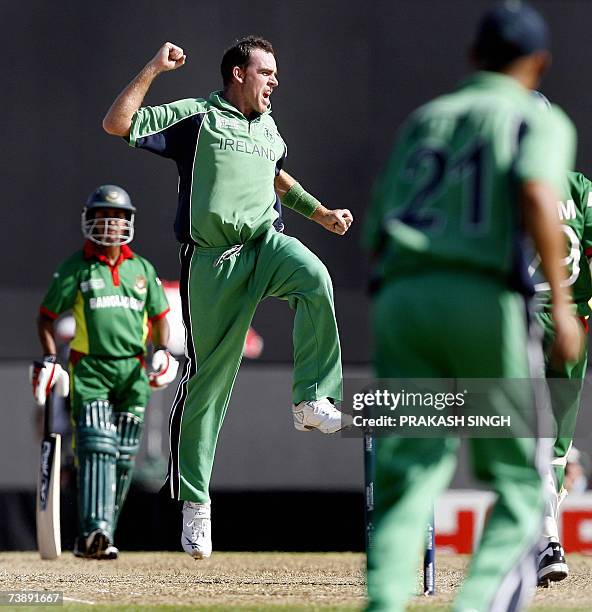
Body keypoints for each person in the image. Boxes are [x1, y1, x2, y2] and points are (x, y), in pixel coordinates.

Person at [362, 3, 582, 610]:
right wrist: (561, 308)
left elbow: (380, 219)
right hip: (481, 295)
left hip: (402, 296)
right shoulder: (538, 119)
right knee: (517, 482)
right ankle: (479, 603)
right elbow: (539, 193)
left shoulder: (425, 118)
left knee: (409, 477)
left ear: (472, 57)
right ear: (538, 63)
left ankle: (383, 602)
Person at [102, 36, 353, 559]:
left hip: (265, 244)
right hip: (213, 262)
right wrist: (152, 67)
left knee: (315, 278)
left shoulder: (268, 126)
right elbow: (117, 124)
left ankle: (311, 398)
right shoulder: (198, 117)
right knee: (209, 383)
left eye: (276, 75)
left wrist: (320, 213)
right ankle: (195, 504)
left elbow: (275, 177)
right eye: (266, 73)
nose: (274, 82)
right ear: (238, 73)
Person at [31, 185, 178, 559]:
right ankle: (95, 530)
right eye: (101, 218)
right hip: (91, 370)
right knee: (97, 447)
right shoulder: (76, 268)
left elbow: (161, 319)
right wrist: (50, 359)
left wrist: (161, 352)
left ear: (128, 223)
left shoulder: (141, 269)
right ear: (88, 221)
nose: (109, 226)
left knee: (124, 456)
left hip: (133, 372)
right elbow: (46, 319)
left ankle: (97, 536)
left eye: (116, 219)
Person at [529, 158, 592, 585]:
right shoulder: (580, 187)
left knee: (534, 440)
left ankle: (545, 539)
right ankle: (547, 539)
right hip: (573, 325)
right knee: (552, 444)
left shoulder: (502, 182)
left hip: (522, 321)